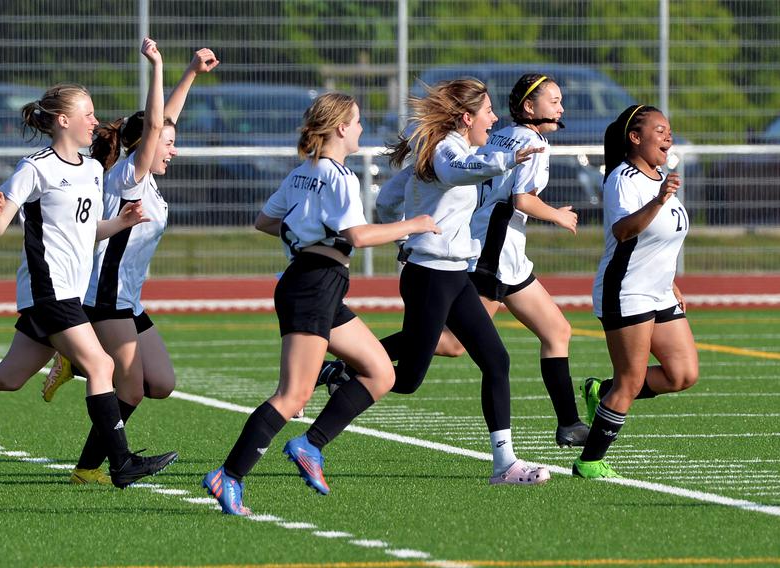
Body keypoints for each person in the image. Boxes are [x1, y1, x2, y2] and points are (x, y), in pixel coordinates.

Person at [0, 82, 177, 490]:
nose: (95, 121)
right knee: (101, 365)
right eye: (87, 114)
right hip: (47, 289)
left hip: (69, 293)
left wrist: (121, 223)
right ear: (64, 121)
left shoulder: (93, 170)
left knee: (9, 376)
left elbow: (88, 231)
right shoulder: (35, 167)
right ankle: (120, 462)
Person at [202, 92, 441, 516]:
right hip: (313, 285)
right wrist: (416, 224)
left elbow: (264, 221)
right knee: (292, 396)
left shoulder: (302, 172)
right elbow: (359, 237)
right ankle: (229, 475)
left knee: (381, 372)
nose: (363, 129)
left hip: (316, 284)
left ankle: (309, 444)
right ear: (342, 128)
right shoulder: (339, 175)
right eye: (359, 122)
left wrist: (307, 232)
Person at [38, 40, 219, 485]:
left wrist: (192, 72)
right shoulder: (128, 176)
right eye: (167, 144)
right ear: (145, 146)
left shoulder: (150, 184)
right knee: (131, 386)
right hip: (104, 298)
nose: (173, 150)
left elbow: (163, 121)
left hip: (128, 301)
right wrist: (157, 66)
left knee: (162, 383)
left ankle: (77, 362)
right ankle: (89, 467)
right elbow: (156, 123)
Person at [390, 74, 590, 448]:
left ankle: (569, 424)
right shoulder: (532, 142)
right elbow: (520, 200)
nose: (561, 108)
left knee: (557, 331)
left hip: (506, 253)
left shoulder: (500, 135)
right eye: (554, 101)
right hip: (494, 253)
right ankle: (356, 360)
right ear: (530, 107)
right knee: (451, 344)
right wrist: (558, 215)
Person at [369, 78, 550, 485]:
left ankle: (505, 464)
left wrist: (401, 230)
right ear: (467, 117)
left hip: (454, 274)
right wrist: (508, 160)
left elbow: (386, 201)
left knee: (496, 360)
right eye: (487, 111)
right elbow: (455, 172)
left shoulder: (451, 147)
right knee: (409, 378)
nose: (494, 117)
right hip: (431, 275)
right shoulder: (448, 150)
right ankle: (340, 378)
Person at [572, 104, 698, 479]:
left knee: (682, 375)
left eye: (669, 130)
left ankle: (601, 390)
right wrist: (658, 201)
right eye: (659, 130)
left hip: (658, 292)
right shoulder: (622, 178)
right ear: (635, 138)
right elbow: (624, 231)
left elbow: (663, 240)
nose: (667, 136)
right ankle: (589, 461)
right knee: (631, 381)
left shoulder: (660, 177)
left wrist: (670, 279)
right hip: (626, 292)